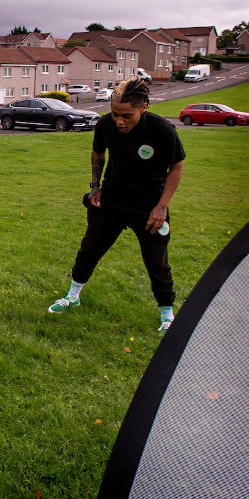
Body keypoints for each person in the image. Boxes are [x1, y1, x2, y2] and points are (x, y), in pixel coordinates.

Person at [48, 78, 185, 333]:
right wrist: (95, 187)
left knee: (157, 262)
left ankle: (167, 314)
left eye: (126, 115)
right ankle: (73, 296)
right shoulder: (105, 125)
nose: (119, 121)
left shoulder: (161, 130)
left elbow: (176, 167)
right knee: (90, 248)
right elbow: (98, 153)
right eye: (114, 114)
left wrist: (162, 207)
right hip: (111, 200)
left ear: (143, 106)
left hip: (148, 206)